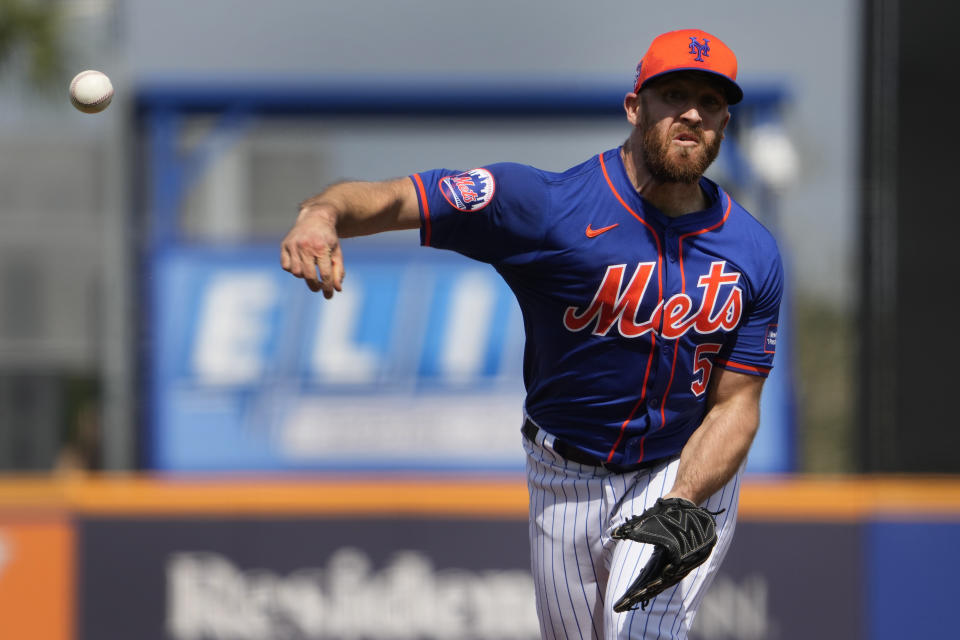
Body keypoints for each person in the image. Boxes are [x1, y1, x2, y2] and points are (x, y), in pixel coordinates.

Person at [281, 28, 782, 640]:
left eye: (711, 102)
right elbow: (397, 199)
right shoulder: (546, 206)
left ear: (726, 121)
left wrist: (685, 498)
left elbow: (737, 405)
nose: (692, 113)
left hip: (679, 469)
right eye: (673, 94)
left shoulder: (752, 252)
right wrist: (322, 213)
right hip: (563, 474)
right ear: (634, 107)